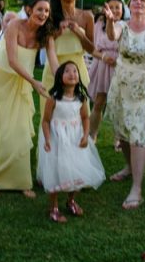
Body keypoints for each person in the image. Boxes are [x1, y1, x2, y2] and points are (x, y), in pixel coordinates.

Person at [0, 0, 55, 198]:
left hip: (21, 81)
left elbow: (53, 60)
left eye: (47, 11)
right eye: (40, 9)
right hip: (0, 79)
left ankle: (22, 180)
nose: (43, 14)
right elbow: (13, 60)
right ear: (28, 9)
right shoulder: (15, 24)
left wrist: (61, 81)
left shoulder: (46, 33)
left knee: (20, 129)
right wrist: (34, 82)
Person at [105, 0, 145, 210]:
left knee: (138, 133)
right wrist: (110, 22)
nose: (138, 3)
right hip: (121, 84)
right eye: (134, 0)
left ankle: (137, 189)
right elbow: (112, 36)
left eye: (143, 0)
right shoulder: (122, 25)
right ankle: (129, 166)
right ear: (129, 5)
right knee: (122, 131)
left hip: (143, 86)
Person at [36, 61, 105, 223]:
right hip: (56, 138)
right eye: (67, 71)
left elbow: (85, 118)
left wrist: (86, 135)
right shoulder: (54, 99)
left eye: (75, 71)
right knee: (55, 170)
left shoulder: (81, 99)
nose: (72, 73)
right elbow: (45, 121)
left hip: (75, 137)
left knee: (77, 167)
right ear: (60, 77)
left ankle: (71, 200)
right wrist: (47, 139)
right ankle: (53, 206)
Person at [46, 0, 95, 90]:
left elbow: (91, 49)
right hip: (53, 68)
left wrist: (79, 32)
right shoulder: (49, 15)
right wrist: (58, 32)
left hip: (77, 70)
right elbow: (42, 44)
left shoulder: (87, 16)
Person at [87, 0, 122, 143]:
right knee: (99, 101)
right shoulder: (99, 24)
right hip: (102, 64)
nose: (114, 10)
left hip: (119, 67)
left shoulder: (124, 26)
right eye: (111, 7)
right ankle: (92, 134)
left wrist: (118, 60)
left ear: (122, 10)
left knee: (119, 104)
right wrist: (103, 56)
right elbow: (92, 48)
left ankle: (119, 138)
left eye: (117, 7)